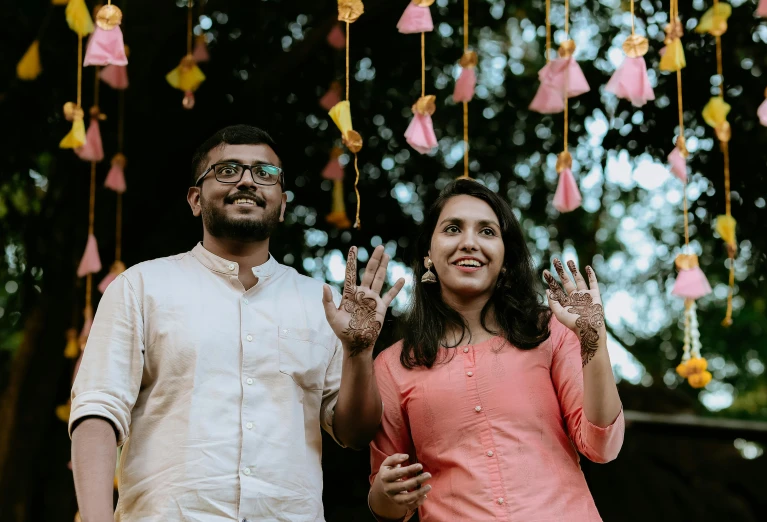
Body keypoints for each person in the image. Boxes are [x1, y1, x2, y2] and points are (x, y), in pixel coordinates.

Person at [69, 125, 403, 521]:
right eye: (227, 170)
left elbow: (354, 432)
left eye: (265, 173)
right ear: (195, 199)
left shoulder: (321, 303)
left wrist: (358, 352)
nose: (247, 180)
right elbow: (97, 412)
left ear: (281, 204)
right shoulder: (140, 287)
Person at [368, 179, 624, 521]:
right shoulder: (393, 365)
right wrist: (386, 493)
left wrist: (593, 338)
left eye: (487, 232)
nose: (469, 242)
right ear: (428, 253)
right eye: (453, 229)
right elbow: (387, 502)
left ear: (505, 259)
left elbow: (602, 446)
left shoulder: (549, 333)